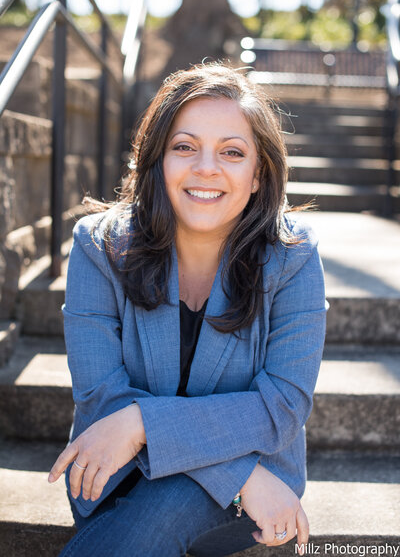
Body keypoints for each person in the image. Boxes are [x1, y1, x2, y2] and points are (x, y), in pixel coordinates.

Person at [48, 62, 327, 557]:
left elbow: (281, 406)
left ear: (259, 174)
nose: (206, 168)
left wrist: (139, 425)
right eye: (184, 147)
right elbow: (101, 396)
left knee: (169, 503)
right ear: (157, 159)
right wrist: (241, 475)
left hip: (248, 503)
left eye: (232, 153)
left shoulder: (293, 257)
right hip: (118, 477)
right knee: (152, 509)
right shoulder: (97, 247)